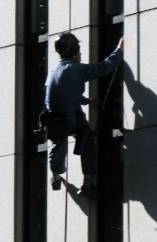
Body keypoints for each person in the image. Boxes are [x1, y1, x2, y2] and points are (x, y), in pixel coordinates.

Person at [44, 32, 124, 197]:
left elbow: (65, 94)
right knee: (87, 143)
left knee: (57, 146)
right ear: (73, 50)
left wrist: (87, 101)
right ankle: (88, 185)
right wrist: (119, 50)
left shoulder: (53, 72)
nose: (80, 54)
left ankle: (56, 177)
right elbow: (104, 68)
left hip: (53, 121)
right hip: (71, 120)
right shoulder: (77, 69)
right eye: (78, 50)